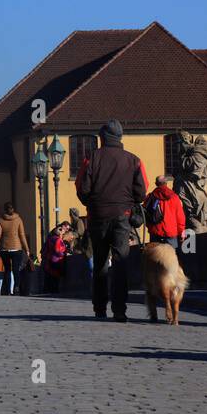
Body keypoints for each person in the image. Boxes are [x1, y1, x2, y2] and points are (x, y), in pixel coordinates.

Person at [75, 119, 149, 321]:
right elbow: (142, 191)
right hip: (122, 216)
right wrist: (129, 202)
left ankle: (100, 308)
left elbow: (82, 188)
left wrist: (92, 203)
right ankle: (119, 310)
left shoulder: (92, 158)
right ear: (120, 137)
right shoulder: (133, 160)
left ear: (102, 138)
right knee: (120, 261)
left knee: (100, 262)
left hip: (98, 215)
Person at [0, 202, 30, 296]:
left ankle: (9, 290)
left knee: (7, 270)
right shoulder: (18, 219)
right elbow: (22, 235)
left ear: (5, 209)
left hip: (4, 248)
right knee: (16, 269)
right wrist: (27, 248)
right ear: (13, 209)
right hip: (16, 248)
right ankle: (16, 287)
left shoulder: (0, 220)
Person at [145, 175, 186, 249]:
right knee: (170, 257)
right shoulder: (174, 197)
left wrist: (151, 228)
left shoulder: (150, 197)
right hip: (171, 233)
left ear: (156, 184)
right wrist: (182, 232)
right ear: (166, 183)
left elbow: (146, 216)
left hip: (155, 233)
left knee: (155, 257)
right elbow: (180, 217)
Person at [42, 222, 71, 294]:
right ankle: (54, 291)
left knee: (50, 276)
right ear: (60, 231)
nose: (65, 232)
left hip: (50, 258)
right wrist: (64, 253)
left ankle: (49, 290)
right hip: (56, 260)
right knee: (55, 277)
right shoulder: (58, 239)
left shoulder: (51, 238)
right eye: (64, 230)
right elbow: (57, 250)